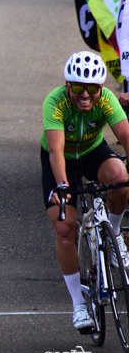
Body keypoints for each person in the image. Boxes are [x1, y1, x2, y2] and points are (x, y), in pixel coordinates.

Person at [42, 52, 129, 333]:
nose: (85, 94)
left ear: (101, 89)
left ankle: (114, 233)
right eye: (78, 87)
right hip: (60, 159)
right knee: (64, 226)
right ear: (67, 85)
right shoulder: (55, 101)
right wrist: (63, 186)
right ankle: (79, 303)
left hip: (92, 151)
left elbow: (126, 136)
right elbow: (56, 151)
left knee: (120, 178)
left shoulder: (106, 100)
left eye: (92, 88)